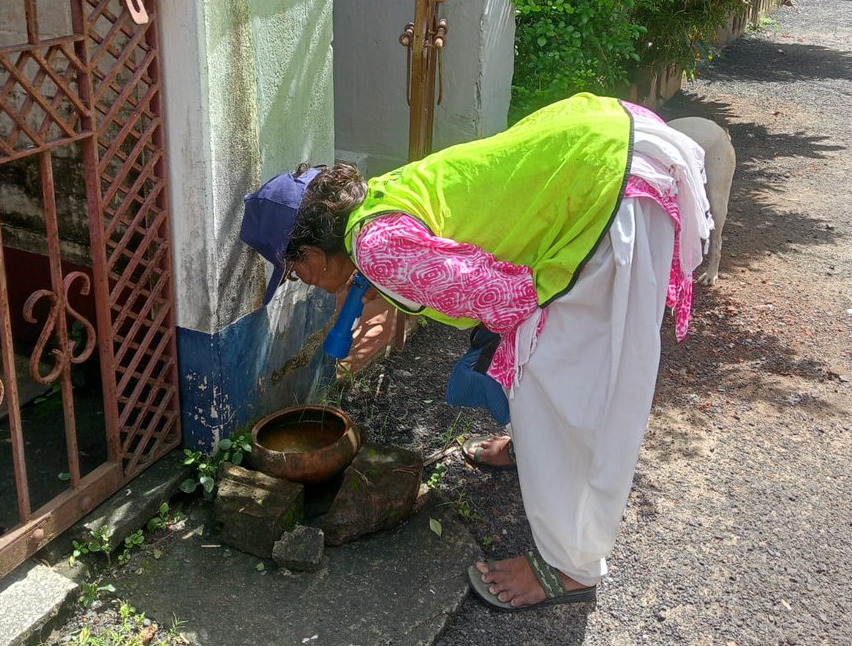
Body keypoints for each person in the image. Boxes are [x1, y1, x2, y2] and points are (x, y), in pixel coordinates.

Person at [240, 93, 712, 610]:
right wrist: (398, 294)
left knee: (567, 381)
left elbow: (509, 299)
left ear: (309, 253)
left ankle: (569, 567)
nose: (305, 283)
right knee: (535, 360)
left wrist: (407, 294)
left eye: (296, 273)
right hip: (610, 138)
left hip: (607, 191)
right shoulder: (375, 205)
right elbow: (449, 254)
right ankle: (533, 450)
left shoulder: (375, 249)